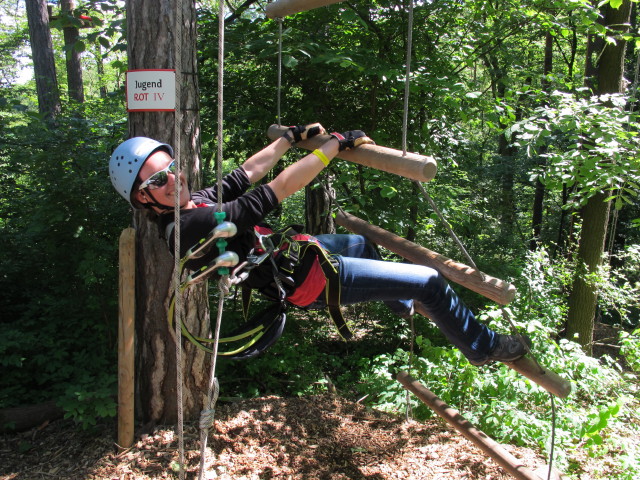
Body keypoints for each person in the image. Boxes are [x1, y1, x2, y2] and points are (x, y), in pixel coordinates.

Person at [109, 124, 531, 365]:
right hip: (307, 279)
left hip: (298, 255)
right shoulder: (191, 224)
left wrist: (289, 137)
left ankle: (402, 305)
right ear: (143, 198)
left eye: (174, 168)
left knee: (361, 243)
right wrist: (333, 146)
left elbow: (247, 173)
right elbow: (277, 187)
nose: (175, 179)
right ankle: (484, 347)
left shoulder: (192, 202)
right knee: (428, 281)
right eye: (159, 181)